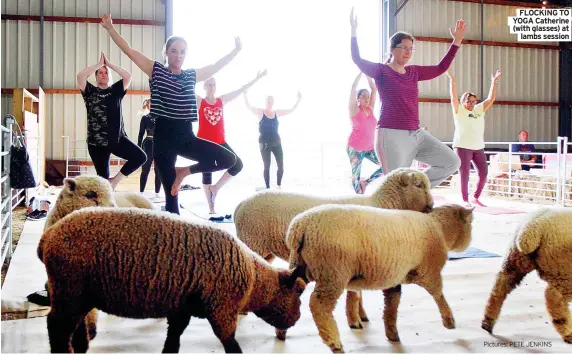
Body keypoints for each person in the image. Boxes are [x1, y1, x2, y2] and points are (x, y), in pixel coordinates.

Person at [101, 14, 237, 214]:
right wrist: (111, 29)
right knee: (172, 201)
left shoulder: (191, 75)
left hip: (186, 137)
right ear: (166, 52)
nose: (178, 55)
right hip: (164, 139)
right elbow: (130, 51)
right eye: (174, 51)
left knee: (229, 159)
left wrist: (235, 51)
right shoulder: (155, 70)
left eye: (182, 52)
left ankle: (183, 172)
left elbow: (216, 66)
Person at [350, 7, 465, 188]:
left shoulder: (414, 72)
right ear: (392, 48)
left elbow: (440, 68)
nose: (408, 51)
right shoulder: (382, 71)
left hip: (417, 134)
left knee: (452, 162)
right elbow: (357, 59)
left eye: (411, 48)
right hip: (391, 134)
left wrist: (456, 42)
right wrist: (354, 33)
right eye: (403, 47)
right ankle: (390, 196)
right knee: (396, 186)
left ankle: (416, 191)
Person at [197, 70, 267, 214]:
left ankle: (215, 188)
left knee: (238, 164)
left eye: (213, 84)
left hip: (221, 141)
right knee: (207, 173)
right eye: (209, 84)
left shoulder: (221, 100)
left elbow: (240, 90)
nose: (212, 87)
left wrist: (256, 78)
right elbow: (183, 89)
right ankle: (211, 208)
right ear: (204, 87)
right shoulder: (200, 101)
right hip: (204, 144)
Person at [77, 51, 146, 190]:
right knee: (102, 180)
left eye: (105, 72)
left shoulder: (116, 90)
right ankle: (104, 206)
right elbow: (80, 76)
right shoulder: (89, 91)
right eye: (100, 72)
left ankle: (114, 182)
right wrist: (98, 64)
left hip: (117, 139)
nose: (103, 74)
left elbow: (128, 76)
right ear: (96, 76)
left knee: (140, 157)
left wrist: (109, 65)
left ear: (109, 76)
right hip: (96, 143)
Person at [447, 69, 502, 207]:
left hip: (478, 147)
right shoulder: (459, 110)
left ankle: (476, 197)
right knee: (464, 173)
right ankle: (464, 199)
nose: (472, 103)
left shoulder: (479, 109)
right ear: (463, 101)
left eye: (473, 101)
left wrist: (493, 82)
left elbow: (491, 99)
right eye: (469, 101)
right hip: (462, 146)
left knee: (483, 172)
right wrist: (452, 81)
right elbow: (453, 97)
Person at [244, 91, 302, 189]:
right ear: (265, 102)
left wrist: (298, 100)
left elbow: (291, 110)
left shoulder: (277, 113)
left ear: (273, 102)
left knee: (281, 166)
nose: (269, 103)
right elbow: (249, 107)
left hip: (276, 142)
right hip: (264, 143)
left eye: (271, 101)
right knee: (267, 166)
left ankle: (278, 186)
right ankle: (267, 188)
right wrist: (245, 95)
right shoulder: (260, 112)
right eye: (268, 101)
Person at [347, 72, 383, 194]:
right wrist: (361, 71)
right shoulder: (354, 110)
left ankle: (366, 182)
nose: (367, 99)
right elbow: (353, 87)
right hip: (355, 148)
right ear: (357, 99)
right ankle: (358, 199)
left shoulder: (370, 109)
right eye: (363, 96)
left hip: (369, 148)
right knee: (356, 177)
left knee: (385, 167)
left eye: (367, 97)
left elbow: (374, 89)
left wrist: (368, 73)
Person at [136, 98, 162, 199]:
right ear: (148, 106)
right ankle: (141, 192)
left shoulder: (161, 118)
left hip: (159, 145)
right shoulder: (145, 118)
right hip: (148, 144)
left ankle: (157, 192)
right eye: (151, 104)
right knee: (145, 169)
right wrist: (138, 148)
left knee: (158, 170)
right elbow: (140, 134)